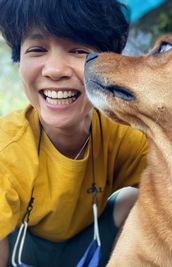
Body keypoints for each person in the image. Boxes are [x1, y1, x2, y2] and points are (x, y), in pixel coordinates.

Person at [0, 0, 148, 266]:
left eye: (78, 50)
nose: (55, 70)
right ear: (19, 60)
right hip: (24, 249)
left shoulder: (123, 131)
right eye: (37, 49)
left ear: (108, 65)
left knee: (137, 199)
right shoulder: (7, 149)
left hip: (89, 242)